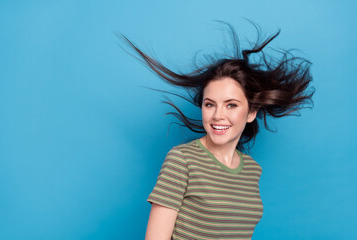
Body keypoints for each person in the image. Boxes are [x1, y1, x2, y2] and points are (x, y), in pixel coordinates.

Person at [120, 23, 314, 240]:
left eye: (231, 105)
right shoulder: (182, 160)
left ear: (251, 113)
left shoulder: (252, 170)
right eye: (210, 104)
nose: (218, 115)